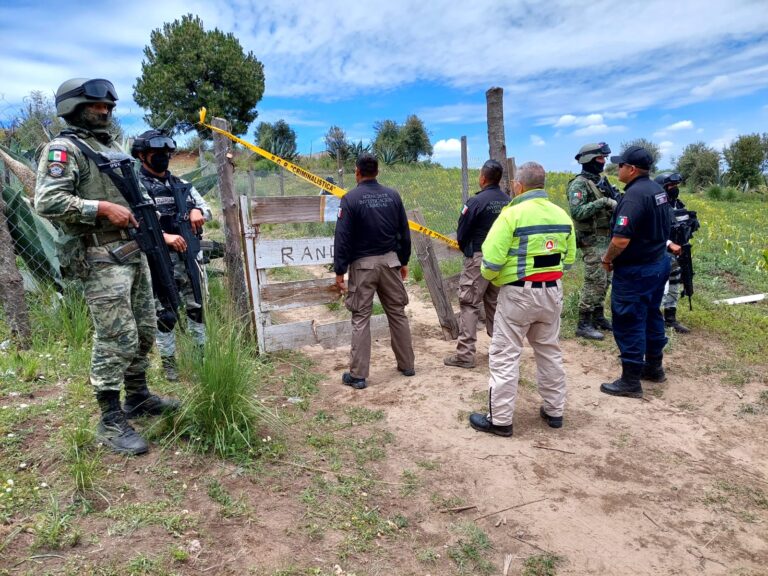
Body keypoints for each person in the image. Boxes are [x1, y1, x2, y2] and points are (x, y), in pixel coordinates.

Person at [35, 78, 181, 456]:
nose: (104, 112)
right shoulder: (63, 150)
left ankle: (138, 396)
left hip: (134, 253)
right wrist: (99, 208)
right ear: (73, 108)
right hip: (99, 257)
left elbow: (137, 193)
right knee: (116, 337)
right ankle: (110, 417)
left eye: (108, 108)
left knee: (146, 329)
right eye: (96, 106)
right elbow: (48, 201)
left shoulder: (114, 149)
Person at [468, 162, 576, 436]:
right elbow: (569, 259)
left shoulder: (511, 215)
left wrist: (495, 278)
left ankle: (500, 420)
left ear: (518, 185)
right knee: (549, 351)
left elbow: (490, 261)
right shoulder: (562, 215)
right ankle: (555, 411)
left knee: (505, 355)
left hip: (518, 294)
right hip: (552, 292)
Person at [131, 130, 212, 381]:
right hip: (159, 262)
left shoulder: (181, 185)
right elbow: (134, 222)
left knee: (197, 309)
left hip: (189, 259)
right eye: (157, 154)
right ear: (143, 156)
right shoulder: (137, 187)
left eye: (167, 154)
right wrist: (164, 238)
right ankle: (169, 363)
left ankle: (201, 358)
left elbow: (207, 211)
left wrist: (198, 210)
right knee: (165, 315)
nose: (163, 158)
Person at [333, 153, 415, 389]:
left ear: (357, 172)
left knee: (360, 318)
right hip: (390, 263)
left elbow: (343, 237)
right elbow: (404, 231)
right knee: (397, 313)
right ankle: (407, 365)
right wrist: (404, 260)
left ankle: (358, 375)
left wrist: (340, 270)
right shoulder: (393, 196)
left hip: (363, 266)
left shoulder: (350, 199)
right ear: (377, 172)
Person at [599, 146, 675, 398]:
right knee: (652, 314)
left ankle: (630, 380)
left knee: (629, 319)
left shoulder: (633, 197)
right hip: (657, 263)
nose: (617, 168)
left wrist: (607, 259)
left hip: (636, 270)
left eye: (620, 165)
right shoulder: (657, 190)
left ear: (631, 169)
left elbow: (621, 240)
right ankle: (654, 367)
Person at [443, 159, 509, 369]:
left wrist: (469, 252)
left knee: (469, 303)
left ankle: (465, 355)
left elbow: (462, 234)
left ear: (483, 178)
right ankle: (500, 352)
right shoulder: (509, 202)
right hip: (503, 260)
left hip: (479, 258)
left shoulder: (475, 202)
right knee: (496, 304)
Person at [567, 142, 618, 341]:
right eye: (600, 158)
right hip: (592, 241)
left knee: (605, 280)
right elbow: (577, 212)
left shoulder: (599, 181)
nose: (603, 162)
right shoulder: (579, 184)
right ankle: (584, 323)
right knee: (593, 281)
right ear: (588, 159)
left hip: (606, 239)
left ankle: (598, 317)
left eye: (604, 158)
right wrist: (603, 202)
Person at [655, 172, 698, 333]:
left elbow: (685, 228)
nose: (675, 189)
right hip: (661, 252)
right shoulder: (657, 208)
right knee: (661, 287)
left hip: (680, 252)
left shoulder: (678, 205)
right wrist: (668, 243)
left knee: (675, 285)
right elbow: (652, 232)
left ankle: (670, 318)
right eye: (671, 186)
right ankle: (654, 317)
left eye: (676, 186)